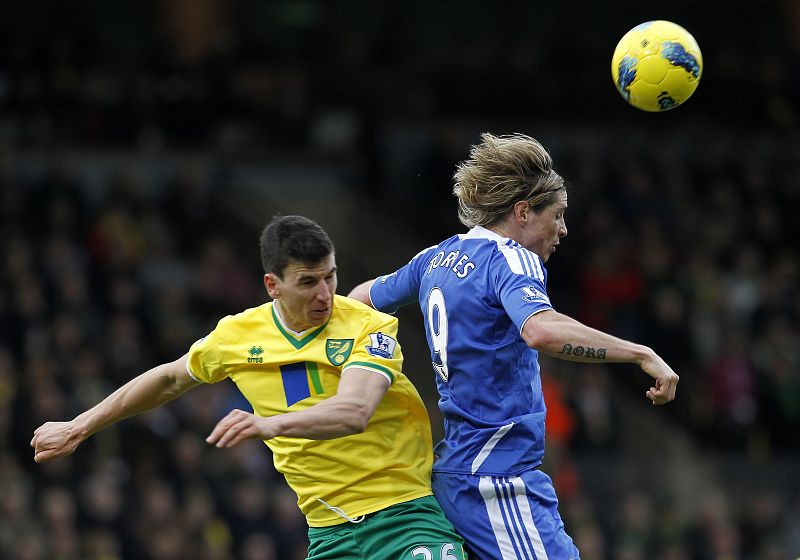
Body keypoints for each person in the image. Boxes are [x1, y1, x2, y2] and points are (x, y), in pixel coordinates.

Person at [32, 215, 467, 560]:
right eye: (308, 282)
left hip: (404, 512)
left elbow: (355, 410)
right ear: (272, 285)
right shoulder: (238, 336)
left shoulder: (367, 325)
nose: (326, 295)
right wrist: (79, 426)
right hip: (330, 531)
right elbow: (168, 379)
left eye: (330, 277)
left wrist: (269, 425)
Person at [348, 132, 679, 560]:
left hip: (457, 468)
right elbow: (540, 331)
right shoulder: (511, 257)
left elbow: (358, 299)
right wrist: (641, 353)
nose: (563, 229)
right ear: (522, 212)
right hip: (497, 480)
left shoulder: (436, 256)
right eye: (557, 215)